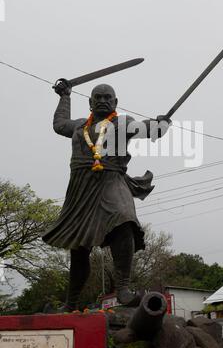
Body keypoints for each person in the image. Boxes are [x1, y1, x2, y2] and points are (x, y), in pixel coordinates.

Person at [42, 79, 171, 309]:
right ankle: (71, 302)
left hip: (112, 181)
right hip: (81, 189)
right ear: (90, 102)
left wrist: (159, 125)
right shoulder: (80, 126)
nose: (102, 100)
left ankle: (122, 289)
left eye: (107, 97)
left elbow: (146, 128)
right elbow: (60, 124)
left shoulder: (122, 124)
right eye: (97, 98)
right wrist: (64, 96)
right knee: (79, 247)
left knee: (124, 220)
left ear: (116, 102)